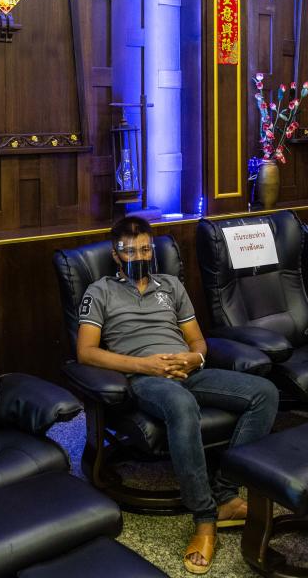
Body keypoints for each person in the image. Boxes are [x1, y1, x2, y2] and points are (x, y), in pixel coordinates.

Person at [77, 216, 279, 575]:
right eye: (130, 250)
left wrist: (194, 357)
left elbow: (197, 339)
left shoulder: (170, 285)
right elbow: (87, 353)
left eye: (144, 248)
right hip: (143, 378)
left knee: (264, 392)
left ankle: (225, 495)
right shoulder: (100, 291)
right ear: (116, 254)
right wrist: (146, 366)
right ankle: (204, 519)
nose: (138, 254)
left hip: (188, 371)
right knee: (182, 405)